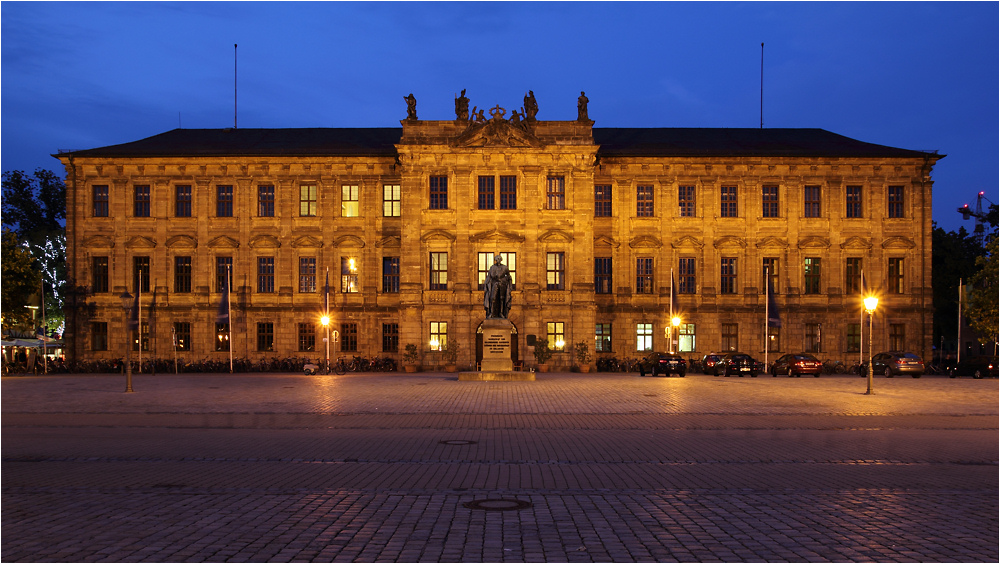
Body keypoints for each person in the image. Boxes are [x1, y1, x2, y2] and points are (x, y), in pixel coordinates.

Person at [483, 254, 513, 319]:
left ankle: (501, 313)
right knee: (493, 298)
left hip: (503, 284)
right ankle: (492, 313)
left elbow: (508, 276)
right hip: (494, 284)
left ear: (501, 260)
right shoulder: (492, 267)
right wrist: (485, 285)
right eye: (496, 259)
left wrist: (510, 286)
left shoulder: (505, 267)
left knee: (502, 299)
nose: (498, 260)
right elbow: (489, 277)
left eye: (499, 259)